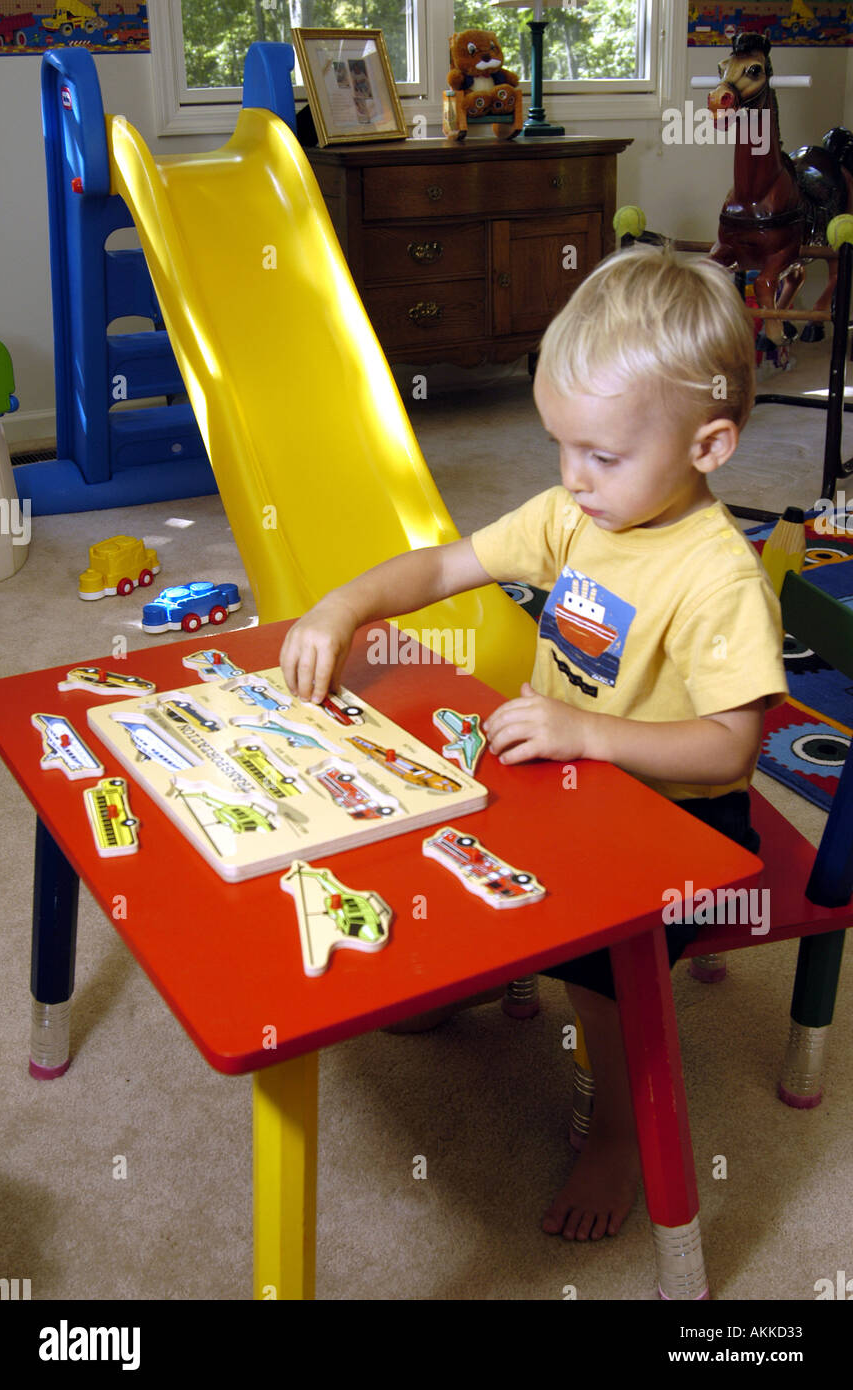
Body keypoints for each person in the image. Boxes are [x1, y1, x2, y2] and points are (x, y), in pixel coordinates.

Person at [279, 245, 787, 1245]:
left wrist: (589, 731)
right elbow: (444, 563)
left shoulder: (717, 575)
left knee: (596, 965)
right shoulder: (573, 517)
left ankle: (616, 1128)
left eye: (601, 454)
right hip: (565, 775)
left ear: (710, 445)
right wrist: (341, 607)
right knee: (443, 831)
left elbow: (732, 753)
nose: (573, 477)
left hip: (683, 825)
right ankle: (478, 971)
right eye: (562, 445)